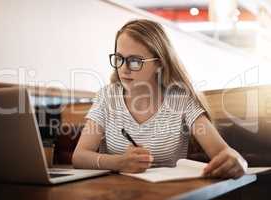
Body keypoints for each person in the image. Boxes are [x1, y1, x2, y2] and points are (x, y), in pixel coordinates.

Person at [72, 19, 248, 178]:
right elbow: (79, 156)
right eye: (119, 58)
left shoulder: (181, 99)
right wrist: (118, 162)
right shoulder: (107, 96)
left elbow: (223, 152)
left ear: (159, 63)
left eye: (135, 61)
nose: (124, 69)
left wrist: (238, 160)